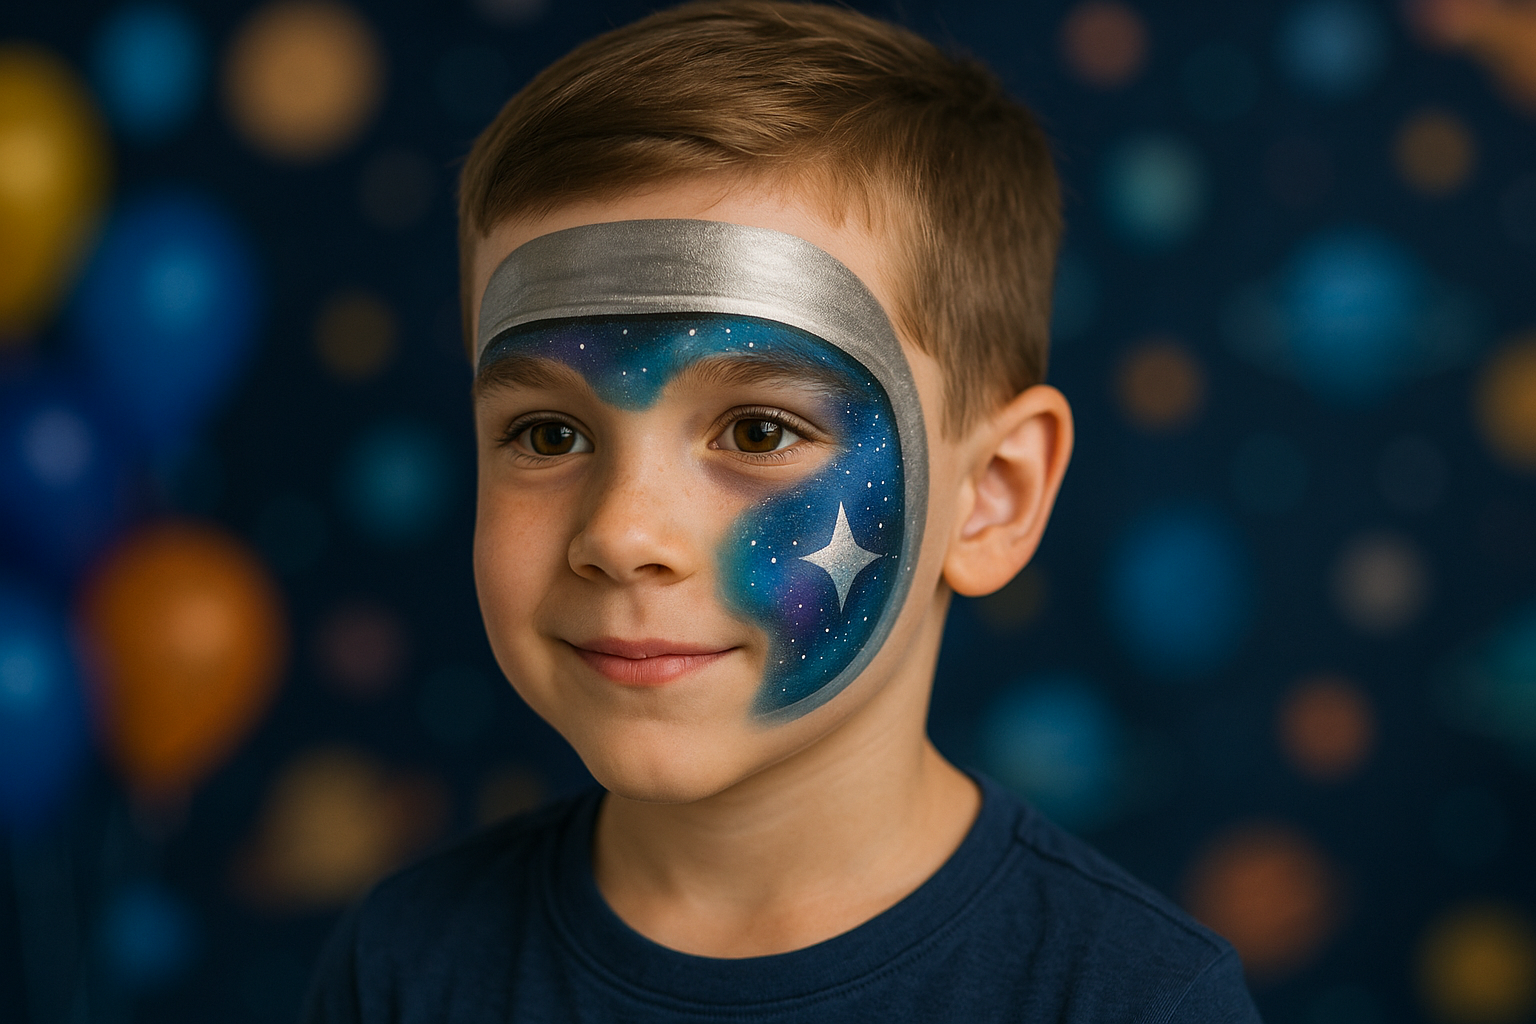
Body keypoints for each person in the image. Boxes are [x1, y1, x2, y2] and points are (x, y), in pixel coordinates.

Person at [304, 2, 1264, 1020]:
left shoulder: (1133, 1000)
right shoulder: (404, 965)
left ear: (992, 495)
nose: (622, 534)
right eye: (549, 435)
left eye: (759, 432)